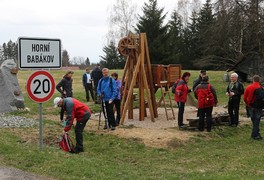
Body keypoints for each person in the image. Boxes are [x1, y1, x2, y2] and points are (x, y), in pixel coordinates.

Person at [244, 75, 262, 140]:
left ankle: (256, 134)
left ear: (253, 80)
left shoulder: (248, 87)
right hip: (258, 106)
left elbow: (244, 97)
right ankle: (255, 135)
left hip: (250, 106)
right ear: (259, 80)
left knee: (253, 120)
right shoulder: (261, 88)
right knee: (257, 120)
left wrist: (247, 103)